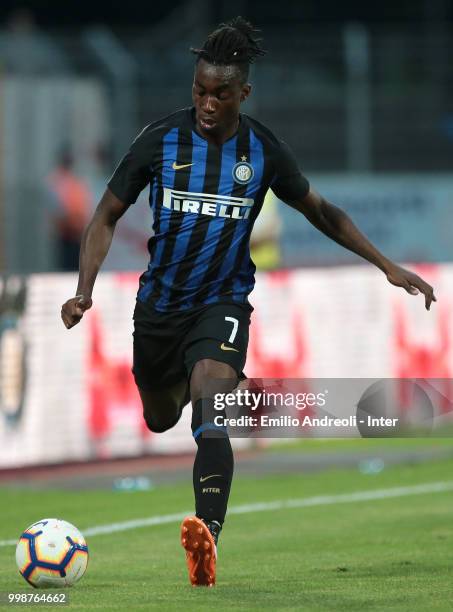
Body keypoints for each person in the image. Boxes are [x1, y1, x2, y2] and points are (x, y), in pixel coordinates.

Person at [61, 17, 436, 587]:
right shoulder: (160, 140)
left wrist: (386, 265)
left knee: (212, 404)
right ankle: (180, 390)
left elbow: (323, 212)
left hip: (223, 302)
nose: (207, 103)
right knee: (161, 418)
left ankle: (207, 536)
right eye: (199, 91)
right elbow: (104, 216)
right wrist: (83, 289)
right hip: (159, 308)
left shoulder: (263, 150)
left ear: (244, 94)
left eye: (220, 94)